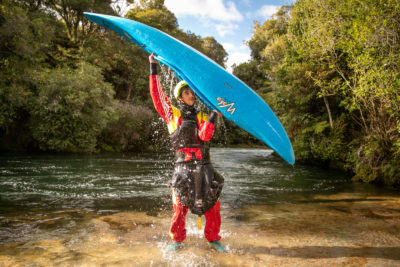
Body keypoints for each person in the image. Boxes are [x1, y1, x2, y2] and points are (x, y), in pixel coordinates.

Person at [148, 53, 225, 252]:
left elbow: (205, 137)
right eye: (187, 92)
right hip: (182, 167)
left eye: (193, 92)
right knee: (179, 207)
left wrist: (213, 117)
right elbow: (157, 96)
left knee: (212, 206)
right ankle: (177, 240)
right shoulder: (171, 114)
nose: (192, 95)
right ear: (180, 95)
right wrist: (153, 67)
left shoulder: (202, 115)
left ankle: (213, 238)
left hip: (204, 166)